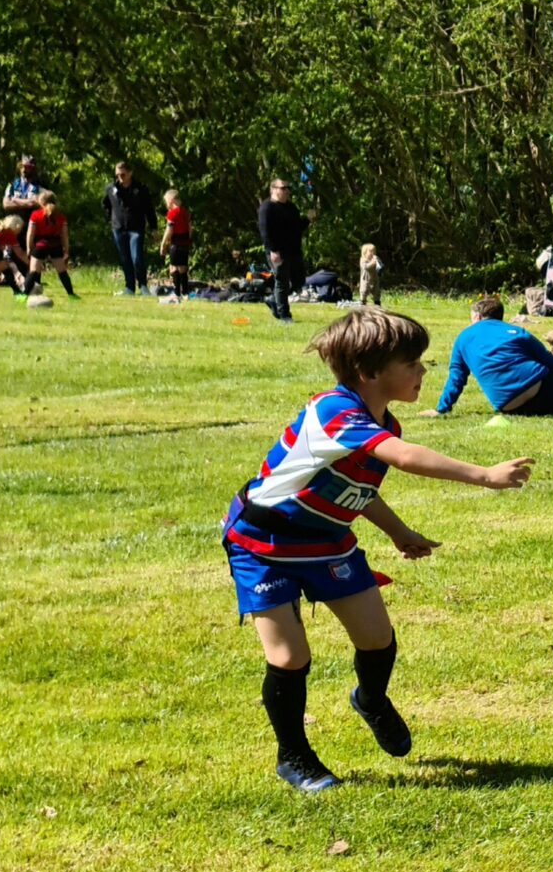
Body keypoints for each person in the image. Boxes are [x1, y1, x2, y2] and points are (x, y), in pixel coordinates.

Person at [222, 307, 533, 791]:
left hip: (328, 544)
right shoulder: (334, 411)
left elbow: (357, 488)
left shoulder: (382, 421)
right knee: (289, 657)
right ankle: (294, 756)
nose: (422, 372)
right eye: (411, 363)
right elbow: (404, 459)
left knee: (376, 638)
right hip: (265, 544)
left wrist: (397, 531)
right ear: (369, 372)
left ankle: (370, 699)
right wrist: (484, 475)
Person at [258, 179, 307, 324]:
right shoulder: (267, 208)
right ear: (273, 189)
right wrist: (273, 250)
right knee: (282, 281)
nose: (287, 191)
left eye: (288, 188)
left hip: (294, 250)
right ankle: (285, 315)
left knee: (299, 281)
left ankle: (274, 299)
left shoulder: (291, 207)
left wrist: (308, 220)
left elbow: (297, 228)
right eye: (283, 188)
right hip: (277, 251)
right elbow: (265, 231)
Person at [105, 162, 153, 296]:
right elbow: (106, 205)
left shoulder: (141, 189)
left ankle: (143, 286)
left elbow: (149, 209)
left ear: (130, 173)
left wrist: (153, 227)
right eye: (117, 175)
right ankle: (129, 287)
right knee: (124, 258)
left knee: (137, 257)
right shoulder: (111, 189)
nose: (120, 177)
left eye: (123, 174)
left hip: (136, 228)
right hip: (118, 228)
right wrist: (111, 219)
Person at [25, 191, 77, 299]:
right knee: (62, 271)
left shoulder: (36, 214)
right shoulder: (61, 216)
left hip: (40, 245)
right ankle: (71, 294)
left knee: (33, 271)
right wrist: (66, 250)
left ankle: (24, 295)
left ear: (42, 202)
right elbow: (65, 235)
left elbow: (30, 233)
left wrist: (29, 248)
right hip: (55, 245)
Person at [159, 188, 193, 301]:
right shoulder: (186, 212)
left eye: (166, 201)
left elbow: (169, 230)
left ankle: (176, 291)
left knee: (173, 267)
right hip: (185, 243)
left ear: (171, 200)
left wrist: (163, 244)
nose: (166, 204)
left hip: (175, 243)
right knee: (183, 267)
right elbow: (190, 228)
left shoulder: (172, 213)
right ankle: (185, 292)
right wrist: (189, 240)